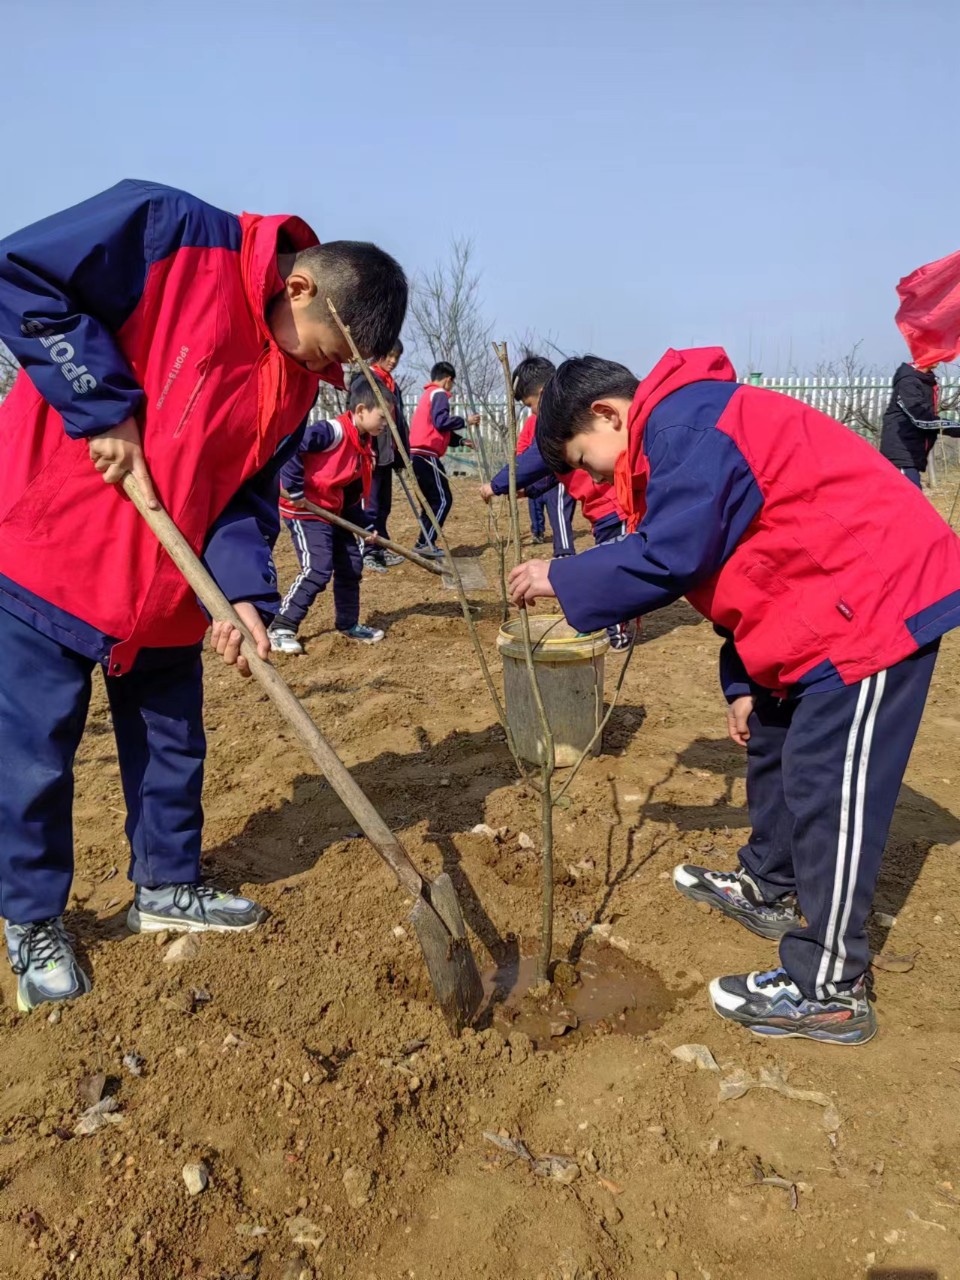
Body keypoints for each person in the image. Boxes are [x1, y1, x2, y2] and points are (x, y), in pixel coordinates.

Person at [0, 179, 407, 1009]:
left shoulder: (294, 386)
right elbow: (23, 275)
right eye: (328, 354)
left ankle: (167, 883)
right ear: (300, 289)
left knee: (173, 743)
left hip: (169, 579)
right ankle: (32, 917)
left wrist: (245, 597)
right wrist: (102, 406)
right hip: (56, 545)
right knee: (34, 756)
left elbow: (244, 499)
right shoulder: (172, 233)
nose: (326, 378)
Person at [510, 348, 960, 1046]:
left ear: (606, 414)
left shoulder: (686, 425)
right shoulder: (682, 431)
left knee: (826, 784)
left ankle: (830, 987)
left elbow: (675, 555)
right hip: (818, 600)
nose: (594, 481)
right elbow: (737, 561)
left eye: (587, 463)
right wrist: (744, 682)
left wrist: (562, 578)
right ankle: (770, 883)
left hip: (874, 601)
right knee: (776, 738)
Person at [480, 355, 632, 648]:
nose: (533, 412)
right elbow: (555, 471)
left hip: (614, 506)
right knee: (608, 564)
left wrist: (497, 485)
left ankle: (617, 634)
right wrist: (529, 491)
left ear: (541, 393)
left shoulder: (559, 419)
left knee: (612, 570)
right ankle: (612, 625)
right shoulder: (561, 428)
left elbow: (533, 461)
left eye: (529, 405)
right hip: (601, 511)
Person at [269, 383, 387, 652]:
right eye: (382, 417)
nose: (385, 424)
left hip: (334, 512)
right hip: (306, 510)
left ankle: (348, 624)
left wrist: (366, 526)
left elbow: (349, 494)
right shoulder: (333, 431)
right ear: (361, 410)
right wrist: (296, 488)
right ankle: (281, 626)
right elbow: (293, 446)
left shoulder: (364, 446)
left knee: (351, 566)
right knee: (317, 568)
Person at [408, 360, 479, 557]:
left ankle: (423, 541)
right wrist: (466, 421)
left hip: (417, 455)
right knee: (442, 500)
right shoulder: (439, 394)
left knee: (432, 502)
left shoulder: (427, 395)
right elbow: (442, 422)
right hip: (426, 457)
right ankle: (426, 543)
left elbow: (437, 430)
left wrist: (461, 440)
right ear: (448, 380)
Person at [352, 340, 408, 573]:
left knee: (384, 505)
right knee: (371, 505)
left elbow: (399, 422)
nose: (393, 361)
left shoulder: (392, 385)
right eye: (389, 355)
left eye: (397, 357)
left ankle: (381, 547)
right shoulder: (366, 379)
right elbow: (358, 417)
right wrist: (366, 448)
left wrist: (401, 455)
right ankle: (369, 550)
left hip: (387, 454)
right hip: (371, 453)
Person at [879, 360, 960, 488]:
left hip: (911, 455)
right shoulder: (908, 382)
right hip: (901, 453)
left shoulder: (924, 381)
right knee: (910, 502)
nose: (941, 359)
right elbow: (922, 419)